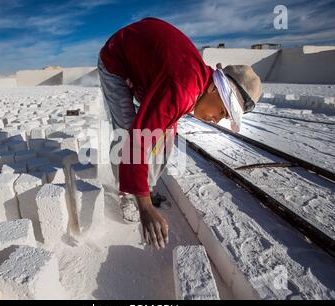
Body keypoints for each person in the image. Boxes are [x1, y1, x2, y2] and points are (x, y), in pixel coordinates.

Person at [98, 17, 262, 250]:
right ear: (215, 87)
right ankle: (129, 195)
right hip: (117, 60)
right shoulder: (183, 88)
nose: (218, 119)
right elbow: (138, 141)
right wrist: (144, 207)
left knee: (165, 135)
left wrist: (146, 190)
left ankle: (144, 187)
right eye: (223, 110)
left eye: (225, 117)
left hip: (148, 73)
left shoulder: (196, 84)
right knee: (128, 131)